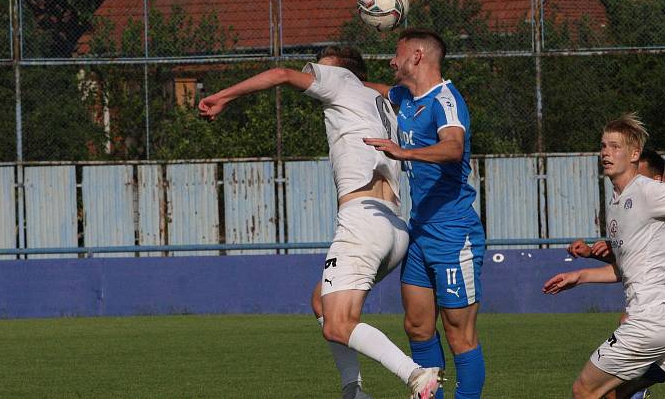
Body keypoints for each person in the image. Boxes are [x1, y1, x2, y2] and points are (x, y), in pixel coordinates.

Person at [198, 45, 442, 399]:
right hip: (393, 227)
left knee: (339, 324)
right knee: (321, 302)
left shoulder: (340, 80)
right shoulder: (378, 100)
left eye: (318, 68)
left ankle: (416, 375)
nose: (312, 75)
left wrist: (222, 96)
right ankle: (353, 391)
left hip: (363, 221)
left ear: (341, 70)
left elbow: (281, 75)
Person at [543, 114, 665, 399]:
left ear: (634, 154)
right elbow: (628, 269)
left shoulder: (648, 190)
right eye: (603, 145)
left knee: (585, 390)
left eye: (615, 146)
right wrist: (579, 276)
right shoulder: (617, 203)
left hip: (651, 319)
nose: (606, 152)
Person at [363, 28, 485, 399]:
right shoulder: (405, 97)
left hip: (453, 233)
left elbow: (453, 147)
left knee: (457, 333)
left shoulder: (445, 100)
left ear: (417, 56)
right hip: (420, 233)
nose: (391, 60)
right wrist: (332, 79)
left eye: (396, 53)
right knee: (417, 326)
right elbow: (373, 90)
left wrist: (405, 154)